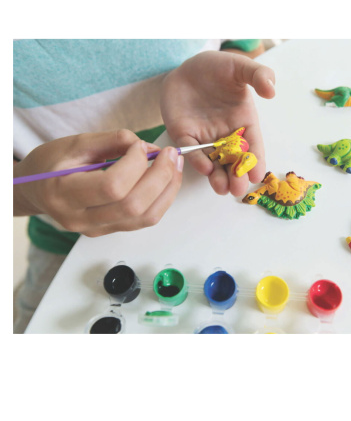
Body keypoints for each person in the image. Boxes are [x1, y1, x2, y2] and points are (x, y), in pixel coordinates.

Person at [13, 39, 276, 333]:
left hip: (201, 202)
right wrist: (26, 191)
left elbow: (246, 47)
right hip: (65, 238)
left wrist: (228, 70)